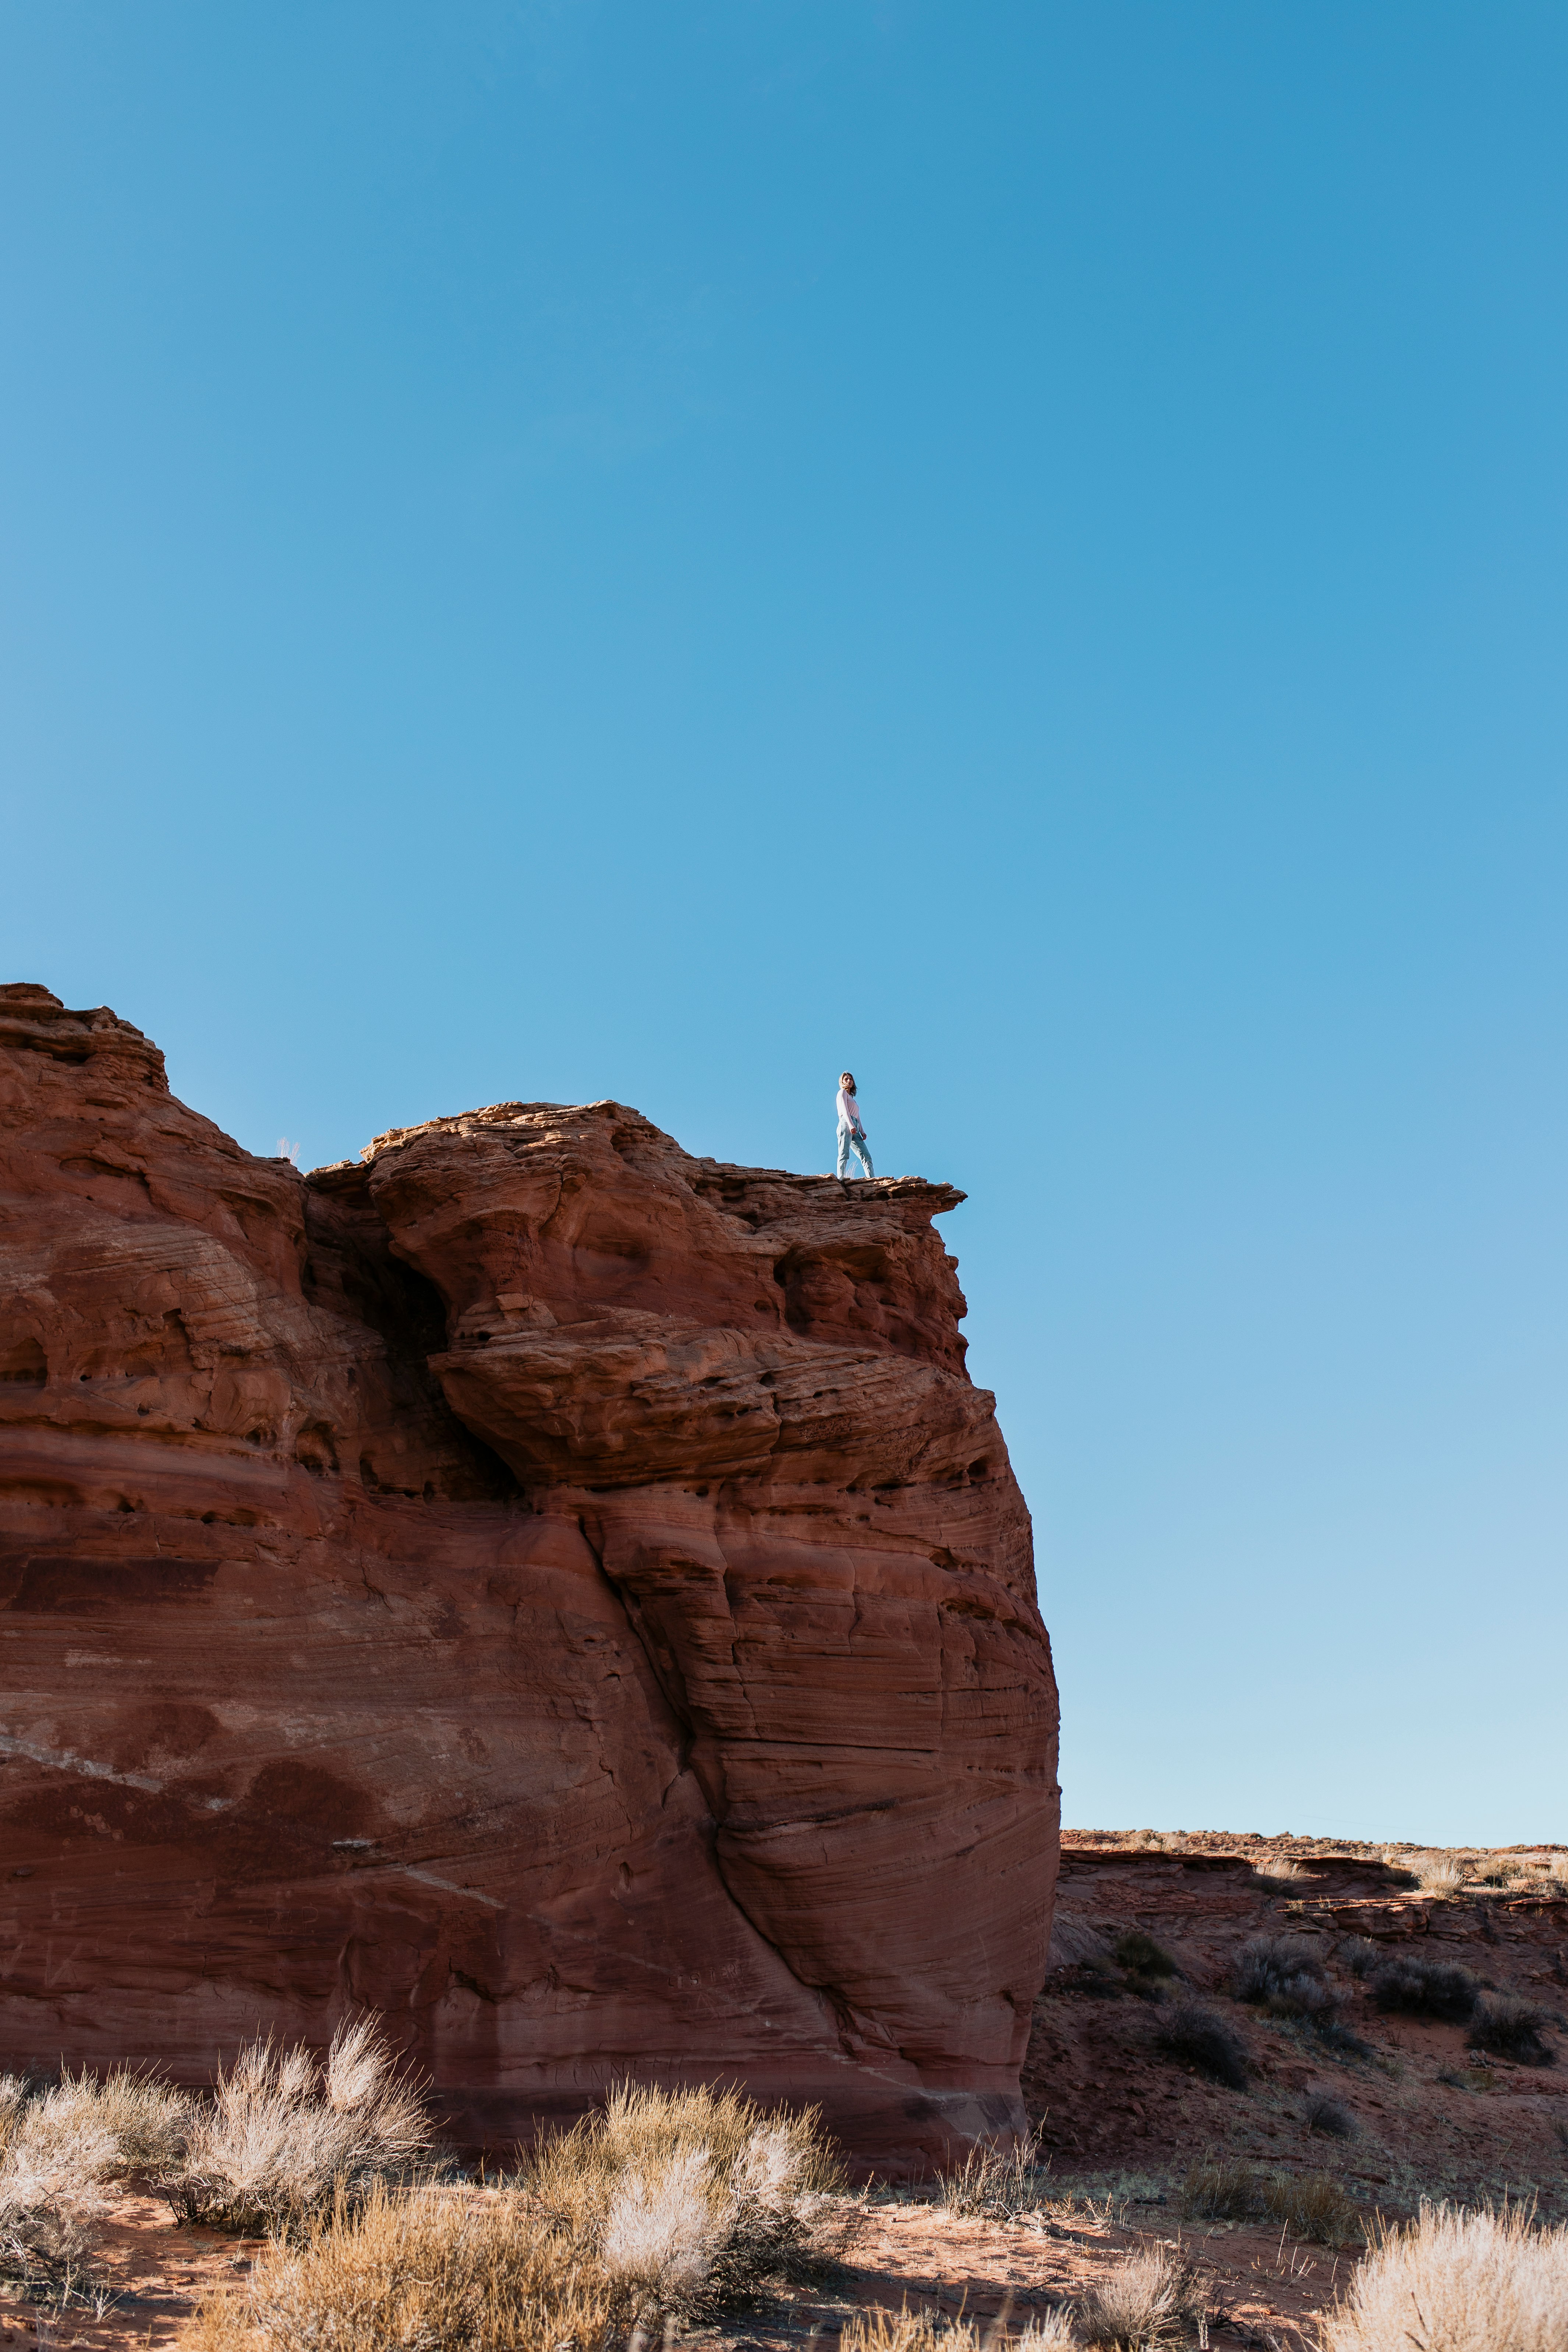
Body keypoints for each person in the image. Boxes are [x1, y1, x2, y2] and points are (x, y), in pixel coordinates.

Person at [835, 1071, 874, 1179]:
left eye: (851, 1079)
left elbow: (858, 1116)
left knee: (867, 1156)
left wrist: (862, 1130)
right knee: (844, 1152)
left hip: (855, 1127)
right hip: (846, 1123)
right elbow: (845, 1110)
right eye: (846, 1079)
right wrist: (851, 1124)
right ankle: (841, 1178)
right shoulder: (842, 1093)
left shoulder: (852, 1099)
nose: (849, 1081)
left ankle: (872, 1180)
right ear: (842, 1082)